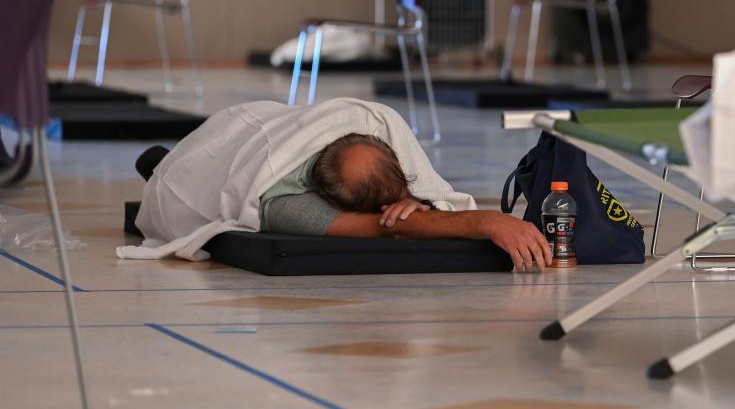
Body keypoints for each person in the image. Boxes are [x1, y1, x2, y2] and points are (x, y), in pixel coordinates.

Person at [134, 132, 551, 270]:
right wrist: (490, 221)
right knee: (170, 171)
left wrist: (415, 197)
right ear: (335, 203)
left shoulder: (371, 132)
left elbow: (417, 199)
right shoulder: (286, 204)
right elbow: (394, 228)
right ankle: (159, 163)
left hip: (271, 126)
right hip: (218, 160)